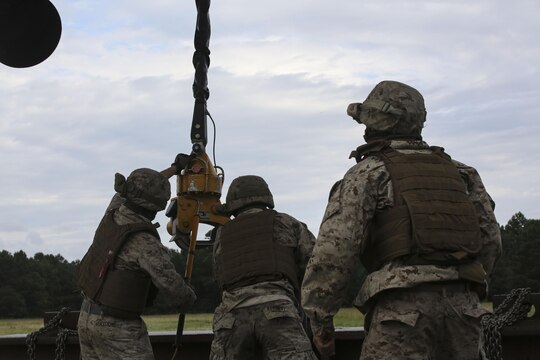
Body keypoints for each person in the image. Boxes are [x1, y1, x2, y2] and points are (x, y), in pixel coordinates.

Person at [301, 80, 502, 360]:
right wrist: (465, 289)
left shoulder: (367, 173)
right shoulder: (463, 174)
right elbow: (490, 241)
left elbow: (334, 252)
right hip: (464, 312)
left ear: (375, 123)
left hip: (401, 314)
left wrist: (320, 320)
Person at [76, 160, 196, 360]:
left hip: (86, 319)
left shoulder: (112, 213)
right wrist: (191, 294)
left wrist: (175, 168)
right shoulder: (146, 243)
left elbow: (138, 187)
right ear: (158, 206)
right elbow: (177, 293)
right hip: (118, 330)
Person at [209, 175, 318, 360]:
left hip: (230, 319)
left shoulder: (221, 234)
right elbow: (313, 265)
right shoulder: (287, 222)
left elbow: (220, 277)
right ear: (266, 197)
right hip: (278, 311)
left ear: (233, 205)